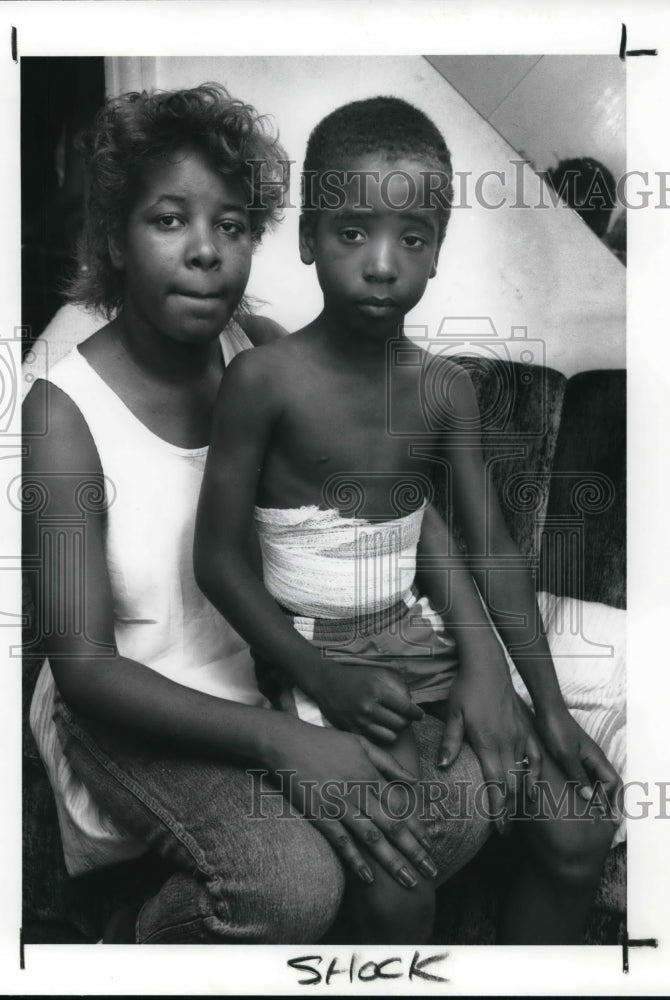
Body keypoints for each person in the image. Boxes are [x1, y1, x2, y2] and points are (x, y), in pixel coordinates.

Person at [24, 84, 490, 945]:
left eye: (232, 226)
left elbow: (392, 509)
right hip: (133, 706)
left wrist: (480, 661)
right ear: (116, 241)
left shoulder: (259, 348)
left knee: (444, 816)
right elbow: (85, 669)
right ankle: (126, 944)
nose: (206, 252)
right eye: (169, 220)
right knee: (290, 887)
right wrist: (286, 746)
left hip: (275, 674)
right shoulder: (60, 411)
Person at [195, 96, 620, 944]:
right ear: (309, 238)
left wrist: (549, 705)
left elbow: (494, 552)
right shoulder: (263, 382)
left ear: (436, 250)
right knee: (399, 880)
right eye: (353, 233)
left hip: (417, 638)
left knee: (576, 835)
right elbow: (218, 564)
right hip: (318, 655)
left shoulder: (441, 390)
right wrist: (316, 678)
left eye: (413, 238)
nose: (383, 264)